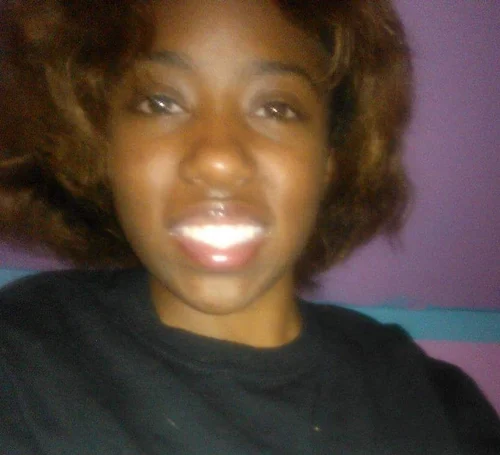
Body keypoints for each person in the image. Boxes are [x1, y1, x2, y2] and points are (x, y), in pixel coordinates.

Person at [0, 0, 498, 454]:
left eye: (276, 108)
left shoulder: (436, 405)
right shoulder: (24, 357)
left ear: (328, 161)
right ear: (103, 142)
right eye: (161, 102)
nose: (218, 160)